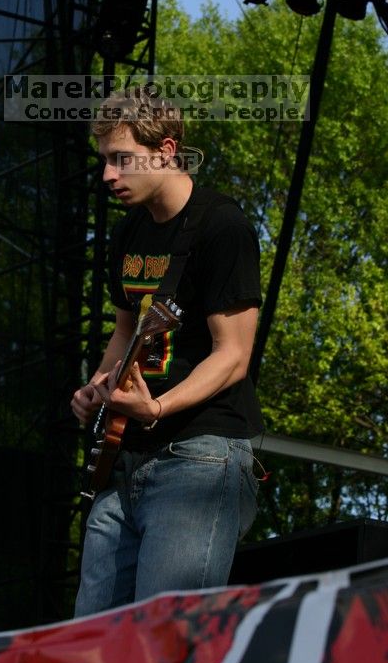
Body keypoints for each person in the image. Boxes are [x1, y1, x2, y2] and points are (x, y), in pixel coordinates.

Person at [71, 90, 263, 617]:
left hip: (200, 459)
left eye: (121, 159)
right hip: (123, 460)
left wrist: (155, 408)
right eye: (104, 161)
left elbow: (233, 356)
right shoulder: (129, 232)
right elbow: (125, 329)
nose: (108, 175)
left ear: (166, 149)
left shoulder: (223, 227)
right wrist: (97, 388)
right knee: (92, 647)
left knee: (167, 645)